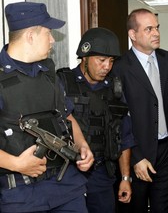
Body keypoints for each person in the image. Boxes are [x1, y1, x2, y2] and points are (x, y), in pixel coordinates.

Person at [0, 1, 94, 213]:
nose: (53, 40)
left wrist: (82, 145)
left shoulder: (49, 72)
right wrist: (16, 164)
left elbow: (66, 116)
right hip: (21, 197)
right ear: (30, 36)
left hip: (67, 188)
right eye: (48, 33)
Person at [112, 8, 168, 213]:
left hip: (167, 153)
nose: (156, 33)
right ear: (133, 34)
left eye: (157, 28)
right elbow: (118, 120)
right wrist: (135, 157)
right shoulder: (119, 67)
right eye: (149, 29)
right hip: (138, 152)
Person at [56, 27, 134, 213]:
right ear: (85, 57)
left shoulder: (114, 89)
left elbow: (123, 136)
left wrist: (125, 178)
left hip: (101, 176)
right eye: (101, 60)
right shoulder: (62, 83)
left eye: (111, 61)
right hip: (66, 174)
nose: (107, 66)